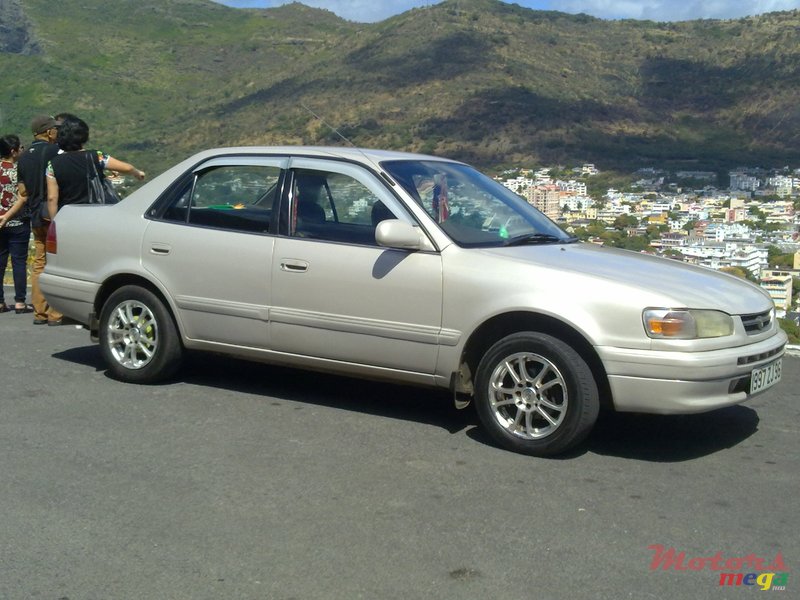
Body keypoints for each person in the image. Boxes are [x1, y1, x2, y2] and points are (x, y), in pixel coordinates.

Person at [46, 116, 145, 221]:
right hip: (95, 214)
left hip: (69, 218)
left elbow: (52, 198)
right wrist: (137, 172)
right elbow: (126, 168)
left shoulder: (52, 164)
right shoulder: (96, 156)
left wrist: (54, 222)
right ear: (84, 137)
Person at [15, 114, 61, 324]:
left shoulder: (22, 157)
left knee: (39, 263)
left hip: (34, 215)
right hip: (52, 215)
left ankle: (39, 313)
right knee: (57, 263)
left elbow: (22, 191)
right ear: (49, 131)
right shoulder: (56, 151)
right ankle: (55, 313)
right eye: (55, 129)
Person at [0, 134, 34, 314]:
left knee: (0, 261)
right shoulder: (19, 170)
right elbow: (24, 195)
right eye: (20, 148)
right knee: (19, 261)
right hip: (18, 221)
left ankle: (0, 301)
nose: (22, 150)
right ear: (13, 151)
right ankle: (20, 301)